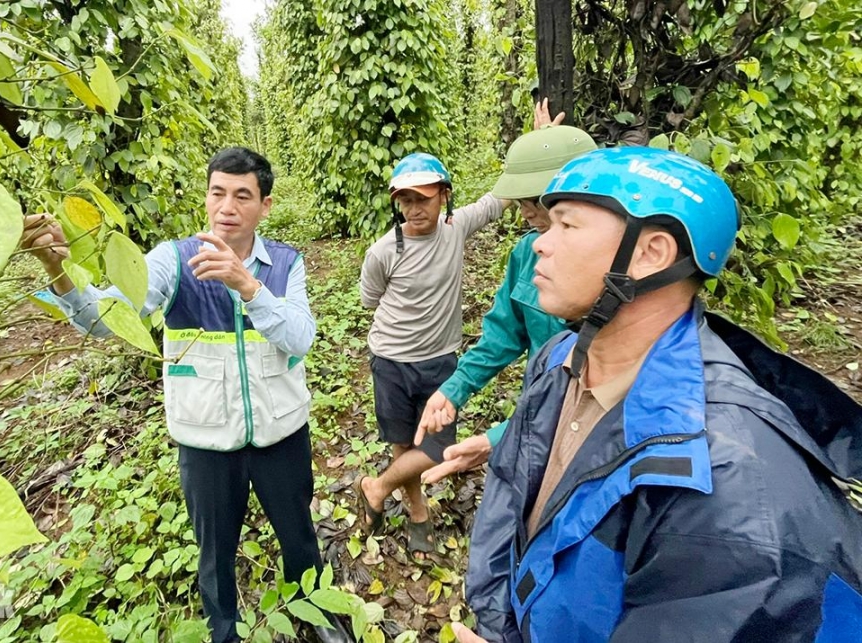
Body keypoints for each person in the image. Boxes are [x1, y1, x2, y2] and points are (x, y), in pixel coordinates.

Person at [452, 147, 862, 641]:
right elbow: (509, 509)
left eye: (567, 225)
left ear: (651, 254)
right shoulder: (558, 361)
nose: (541, 243)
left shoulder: (725, 480)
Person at [19, 147, 352, 643]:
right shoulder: (174, 261)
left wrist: (248, 285)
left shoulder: (285, 263)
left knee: (299, 535)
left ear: (266, 205)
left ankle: (320, 618)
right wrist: (58, 271)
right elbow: (106, 318)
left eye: (243, 195)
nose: (227, 207)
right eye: (218, 192)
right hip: (207, 440)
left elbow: (301, 337)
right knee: (215, 551)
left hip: (281, 431)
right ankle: (225, 633)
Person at [414, 102, 597, 485]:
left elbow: (587, 396)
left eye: (534, 201)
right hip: (536, 423)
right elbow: (501, 337)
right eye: (523, 201)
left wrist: (497, 439)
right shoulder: (525, 257)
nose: (526, 212)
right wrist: (453, 389)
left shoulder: (617, 279)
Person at [355, 151, 507, 557]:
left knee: (437, 446)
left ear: (444, 196)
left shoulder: (456, 229)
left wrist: (540, 145)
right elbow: (370, 299)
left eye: (423, 198)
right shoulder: (383, 251)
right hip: (390, 360)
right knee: (403, 445)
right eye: (405, 200)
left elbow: (500, 199)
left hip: (440, 360)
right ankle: (418, 513)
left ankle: (377, 487)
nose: (414, 208)